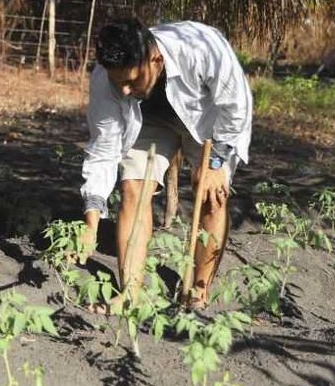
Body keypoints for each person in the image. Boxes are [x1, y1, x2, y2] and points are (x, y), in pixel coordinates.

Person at [79, 18, 252, 310]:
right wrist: (91, 222)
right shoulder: (105, 77)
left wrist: (216, 162)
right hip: (148, 123)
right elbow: (103, 149)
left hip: (209, 122)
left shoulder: (201, 46)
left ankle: (199, 289)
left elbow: (236, 107)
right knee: (133, 189)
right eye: (118, 83)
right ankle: (130, 294)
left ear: (156, 60)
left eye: (132, 81)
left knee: (210, 196)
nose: (123, 90)